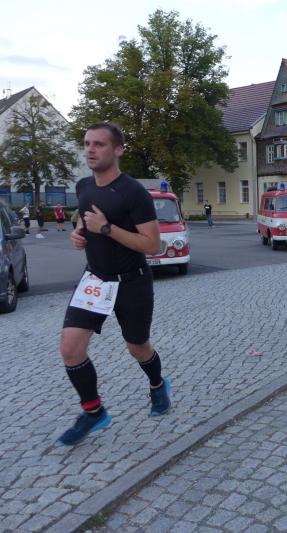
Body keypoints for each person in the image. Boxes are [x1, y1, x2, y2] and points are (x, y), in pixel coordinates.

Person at [57, 122, 171, 447]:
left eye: (99, 144)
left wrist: (107, 229)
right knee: (70, 349)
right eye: (87, 144)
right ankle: (94, 412)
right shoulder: (83, 186)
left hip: (131, 282)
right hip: (95, 279)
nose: (90, 150)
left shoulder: (133, 192)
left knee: (137, 347)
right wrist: (79, 234)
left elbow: (152, 245)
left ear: (118, 150)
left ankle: (158, 385)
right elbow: (84, 220)